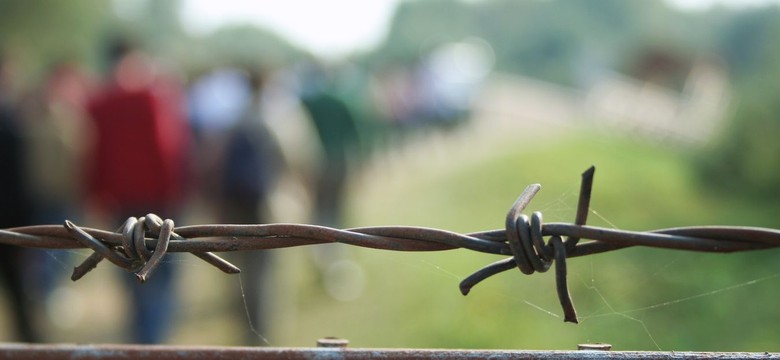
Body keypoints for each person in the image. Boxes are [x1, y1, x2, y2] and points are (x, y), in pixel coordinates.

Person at [85, 37, 190, 343]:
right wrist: (177, 189)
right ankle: (153, 339)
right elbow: (167, 148)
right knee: (164, 269)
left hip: (121, 199)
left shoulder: (100, 100)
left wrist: (96, 193)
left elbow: (94, 154)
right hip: (160, 200)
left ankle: (142, 334)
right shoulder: (154, 95)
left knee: (130, 265)